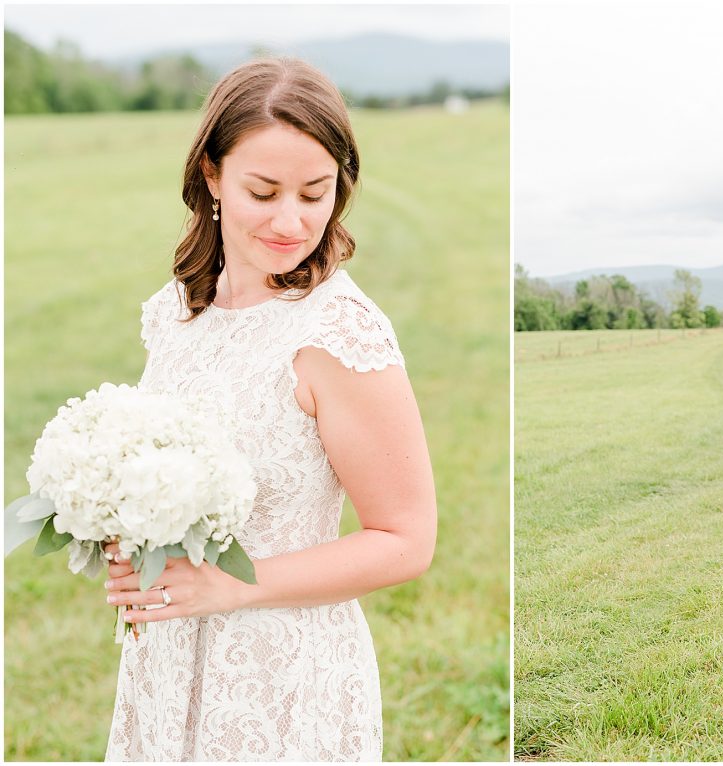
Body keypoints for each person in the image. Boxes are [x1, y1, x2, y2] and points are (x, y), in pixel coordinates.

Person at [101, 58, 437, 761]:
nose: (293, 220)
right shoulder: (174, 312)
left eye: (316, 193)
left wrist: (229, 588)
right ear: (212, 178)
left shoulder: (338, 332)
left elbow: (407, 539)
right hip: (164, 659)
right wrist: (127, 538)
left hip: (280, 682)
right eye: (265, 191)